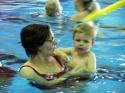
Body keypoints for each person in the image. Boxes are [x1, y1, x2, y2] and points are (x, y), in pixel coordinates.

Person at [19, 23, 73, 88]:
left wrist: (67, 59)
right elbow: (47, 85)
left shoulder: (59, 57)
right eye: (51, 40)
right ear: (38, 45)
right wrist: (70, 74)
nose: (55, 42)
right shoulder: (27, 71)